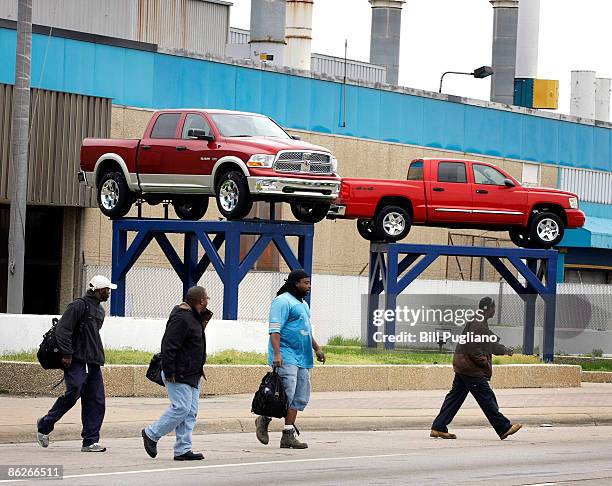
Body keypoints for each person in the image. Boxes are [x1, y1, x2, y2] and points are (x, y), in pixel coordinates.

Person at [37, 275, 115, 452]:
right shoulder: (78, 306)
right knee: (74, 392)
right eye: (106, 290)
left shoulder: (100, 310)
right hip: (76, 360)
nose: (108, 293)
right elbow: (63, 330)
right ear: (97, 290)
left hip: (93, 361)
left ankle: (90, 441)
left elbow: (92, 336)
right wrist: (67, 354)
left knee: (96, 401)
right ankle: (45, 424)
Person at [431, 297, 522, 440]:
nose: (494, 310)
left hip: (464, 366)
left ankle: (438, 427)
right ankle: (503, 427)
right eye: (493, 307)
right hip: (471, 369)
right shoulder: (478, 323)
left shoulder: (479, 321)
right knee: (486, 397)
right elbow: (473, 347)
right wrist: (484, 362)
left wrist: (504, 350)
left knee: (454, 398)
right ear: (488, 308)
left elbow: (489, 343)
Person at [255, 269, 326, 449]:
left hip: (303, 356)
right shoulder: (282, 301)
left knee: (300, 396)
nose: (308, 286)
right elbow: (274, 330)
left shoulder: (302, 304)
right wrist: (277, 353)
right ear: (295, 283)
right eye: (305, 283)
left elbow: (306, 331)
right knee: (284, 392)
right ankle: (264, 418)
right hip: (286, 355)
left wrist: (317, 348)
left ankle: (288, 434)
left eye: (309, 283)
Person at [141, 286, 212, 461]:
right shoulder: (181, 318)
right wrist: (170, 369)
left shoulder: (193, 317)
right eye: (206, 299)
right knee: (181, 408)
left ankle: (182, 449)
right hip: (178, 373)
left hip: (192, 373)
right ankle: (151, 433)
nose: (208, 301)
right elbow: (169, 345)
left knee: (190, 412)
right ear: (201, 300)